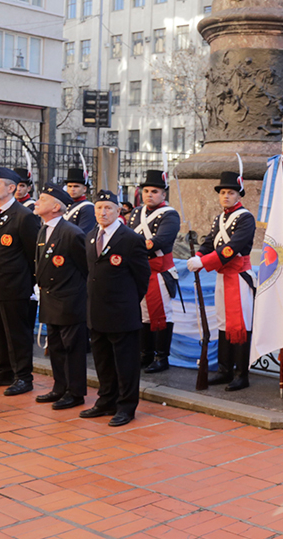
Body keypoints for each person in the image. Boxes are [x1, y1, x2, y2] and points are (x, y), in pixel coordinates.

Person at [82, 190, 150, 426]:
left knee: (125, 363)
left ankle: (126, 406)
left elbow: (142, 277)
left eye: (108, 208)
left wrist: (126, 302)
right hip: (96, 311)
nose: (103, 212)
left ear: (118, 211)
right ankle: (106, 400)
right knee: (103, 361)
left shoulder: (131, 239)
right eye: (99, 208)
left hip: (122, 313)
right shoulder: (91, 236)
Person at [187, 171, 255, 391]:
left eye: (230, 192)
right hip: (223, 276)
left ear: (239, 195)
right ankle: (224, 370)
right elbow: (210, 242)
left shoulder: (245, 218)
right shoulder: (220, 218)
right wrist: (198, 255)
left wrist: (204, 262)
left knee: (240, 325)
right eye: (223, 192)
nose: (226, 196)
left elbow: (231, 248)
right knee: (224, 324)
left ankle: (241, 374)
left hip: (239, 277)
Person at [0, 167, 41, 395]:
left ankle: (23, 377)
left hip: (15, 286)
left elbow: (32, 255)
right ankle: (3, 371)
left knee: (17, 334)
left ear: (11, 188)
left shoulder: (24, 216)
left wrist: (30, 284)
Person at [33, 183, 88, 411]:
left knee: (71, 348)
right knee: (54, 345)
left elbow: (85, 269)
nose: (37, 202)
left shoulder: (71, 233)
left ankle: (75, 392)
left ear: (56, 207)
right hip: (50, 297)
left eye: (43, 199)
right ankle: (59, 386)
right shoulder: (43, 229)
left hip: (69, 300)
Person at [128, 170, 180, 373]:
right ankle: (145, 353)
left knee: (161, 314)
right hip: (140, 270)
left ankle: (161, 357)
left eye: (155, 191)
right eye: (146, 190)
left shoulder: (170, 215)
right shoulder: (136, 213)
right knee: (142, 313)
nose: (149, 194)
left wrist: (131, 246)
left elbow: (161, 240)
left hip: (160, 271)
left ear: (164, 194)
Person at [62, 167, 97, 235]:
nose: (72, 189)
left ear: (84, 189)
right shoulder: (65, 205)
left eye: (76, 186)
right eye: (69, 186)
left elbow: (83, 234)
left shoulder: (88, 208)